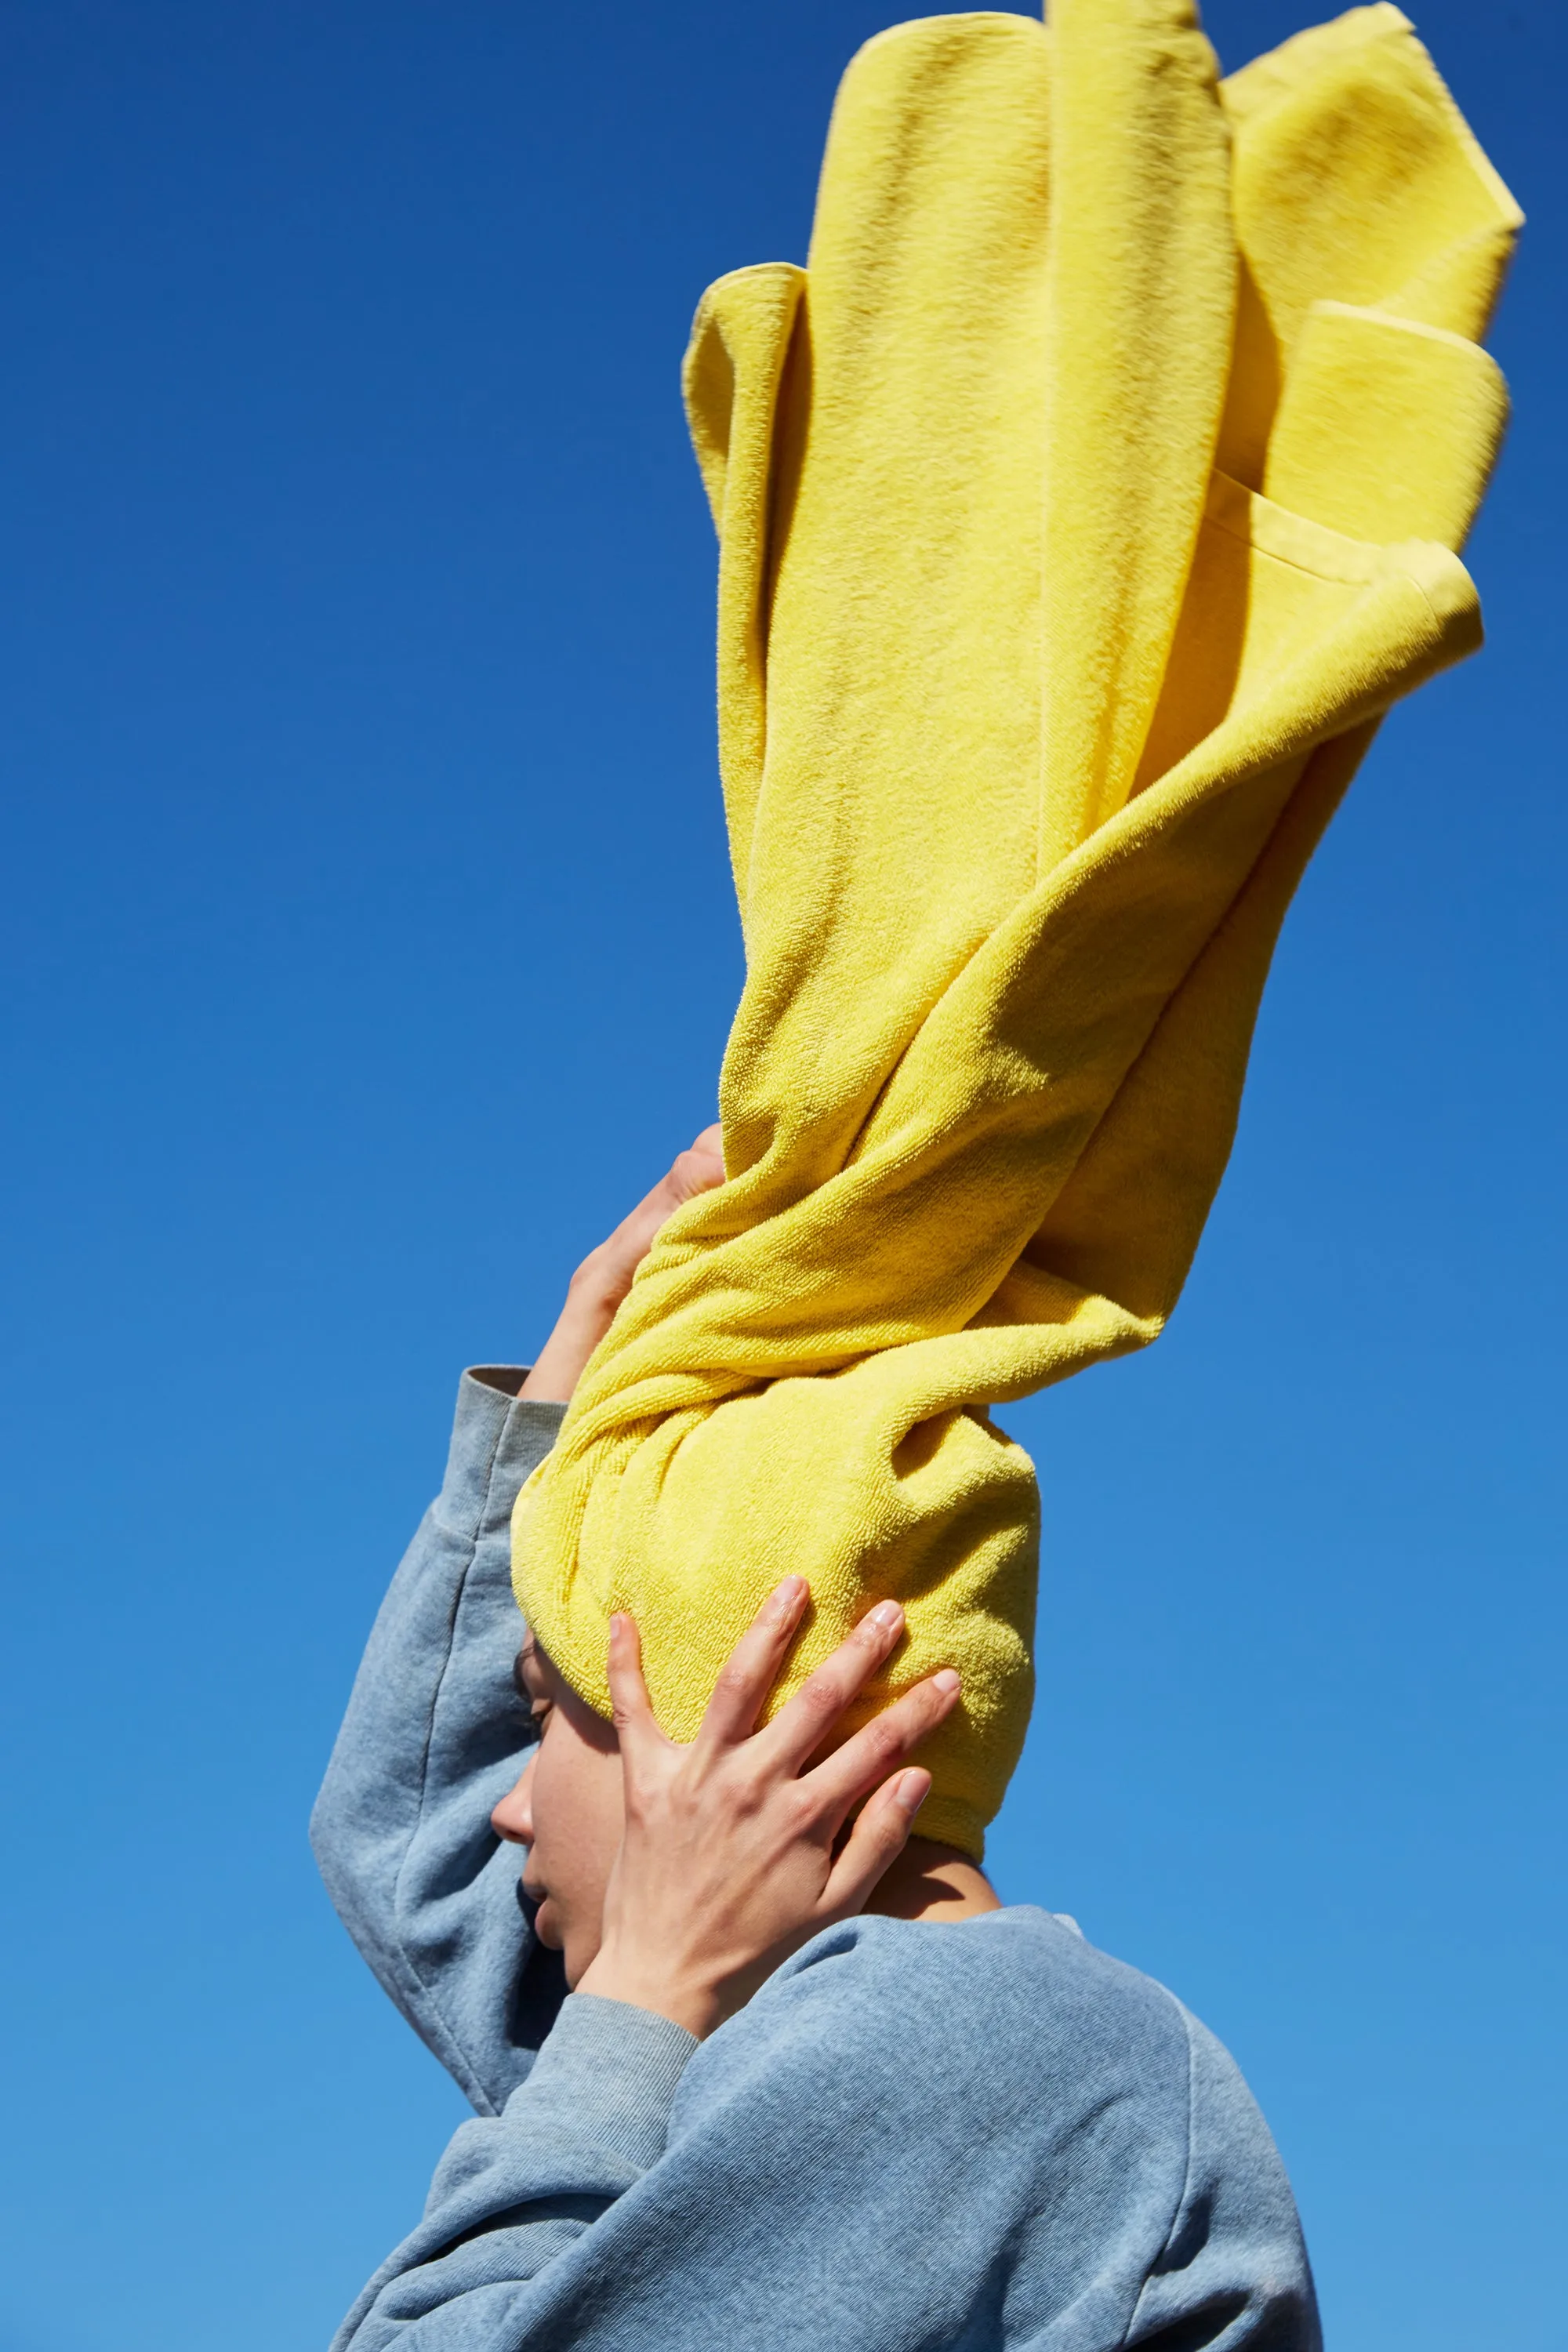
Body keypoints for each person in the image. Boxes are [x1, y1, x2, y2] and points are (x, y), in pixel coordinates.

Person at [313, 1132, 1320, 2351]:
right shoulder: (802, 2040)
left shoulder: (961, 2045)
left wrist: (641, 1996)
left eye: (540, 1717)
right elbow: (410, 1839)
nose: (509, 1807)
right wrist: (579, 1368)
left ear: (714, 1728)